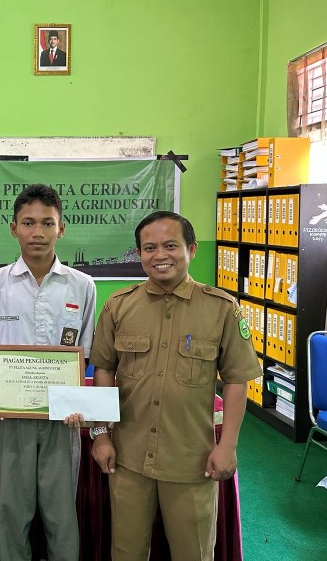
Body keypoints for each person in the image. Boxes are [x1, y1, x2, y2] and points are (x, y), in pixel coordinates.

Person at [89, 211, 262, 561]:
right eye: (149, 248)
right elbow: (104, 370)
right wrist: (102, 434)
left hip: (191, 460)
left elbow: (235, 380)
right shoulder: (118, 306)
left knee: (193, 552)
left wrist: (227, 446)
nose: (159, 255)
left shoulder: (221, 309)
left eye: (170, 245)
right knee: (126, 551)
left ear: (191, 249)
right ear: (139, 253)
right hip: (129, 456)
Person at [0, 183, 96, 561]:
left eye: (47, 223)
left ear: (61, 228)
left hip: (63, 416)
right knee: (12, 509)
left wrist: (80, 403)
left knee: (61, 512)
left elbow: (86, 354)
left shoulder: (83, 285)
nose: (38, 232)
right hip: (11, 415)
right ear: (13, 228)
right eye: (28, 223)